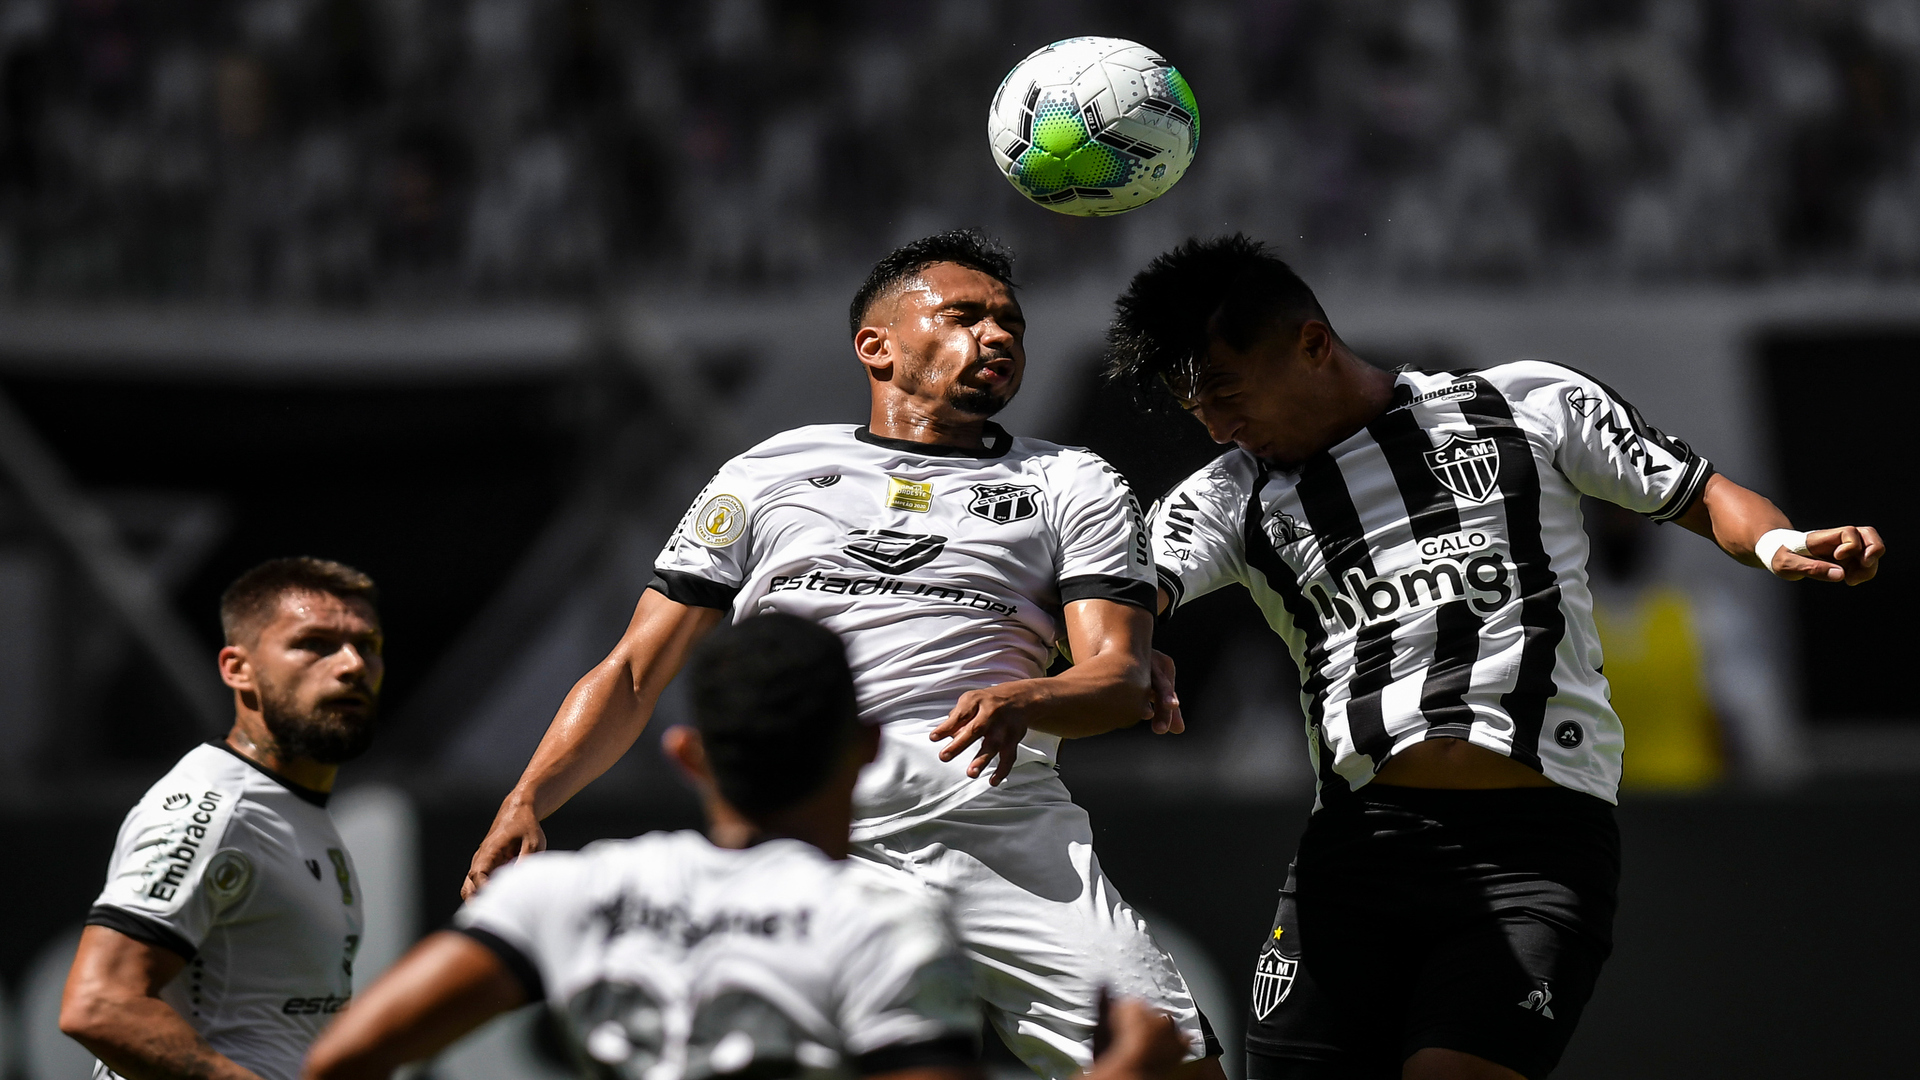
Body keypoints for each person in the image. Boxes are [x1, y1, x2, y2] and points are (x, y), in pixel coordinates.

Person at [1105, 235, 1885, 1080]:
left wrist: (1779, 542)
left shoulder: (1525, 406)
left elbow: (1701, 493)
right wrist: (1130, 648)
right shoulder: (1230, 497)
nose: (1218, 426)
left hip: (1534, 854)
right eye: (1197, 411)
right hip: (1357, 853)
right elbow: (1121, 595)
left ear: (1312, 344)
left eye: (1225, 391)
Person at [462, 229, 1223, 1080]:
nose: (999, 336)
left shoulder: (1073, 481)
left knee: (1176, 1066)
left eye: (1011, 323)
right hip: (806, 831)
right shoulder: (767, 471)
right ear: (877, 347)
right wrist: (529, 797)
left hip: (995, 829)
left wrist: (1027, 701)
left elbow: (1117, 679)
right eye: (966, 316)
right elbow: (636, 670)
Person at [306, 614, 1191, 1080]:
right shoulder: (885, 931)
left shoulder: (565, 894)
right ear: (868, 749)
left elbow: (346, 1060)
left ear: (687, 754)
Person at [61, 558, 386, 1080]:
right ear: (239, 668)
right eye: (314, 644)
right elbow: (99, 1005)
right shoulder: (214, 806)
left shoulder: (291, 805)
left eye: (367, 646)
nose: (351, 665)